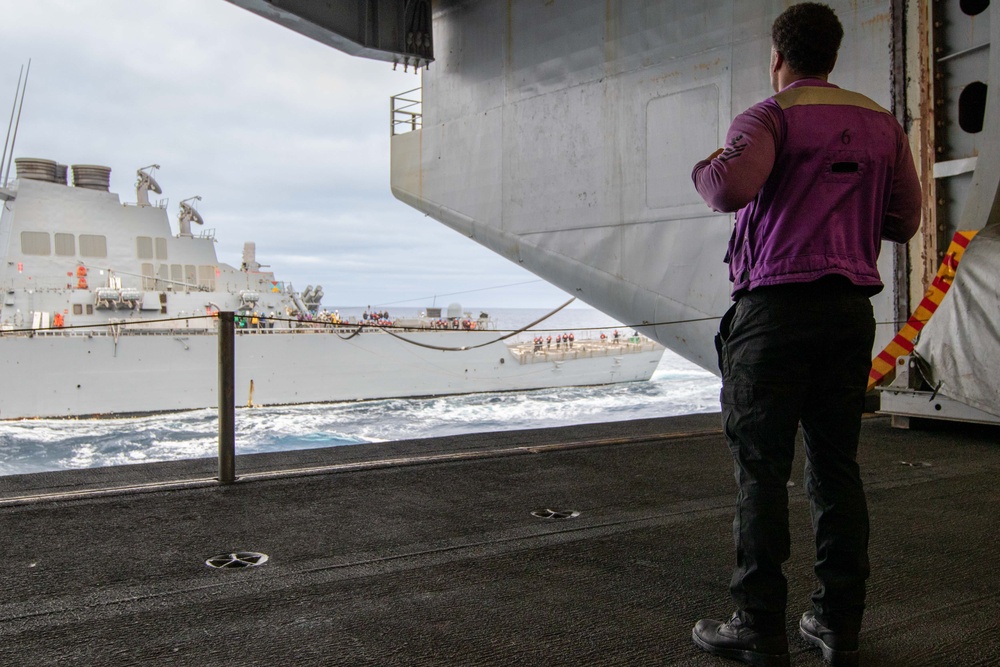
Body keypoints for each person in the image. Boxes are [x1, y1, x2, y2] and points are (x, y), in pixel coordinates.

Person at [689, 4, 921, 666]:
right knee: (835, 465)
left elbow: (729, 188)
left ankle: (758, 624)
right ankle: (836, 622)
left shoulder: (769, 115)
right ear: (834, 56)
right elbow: (904, 219)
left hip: (775, 313)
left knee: (762, 469)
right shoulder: (881, 124)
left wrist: (705, 165)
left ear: (776, 55)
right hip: (849, 311)